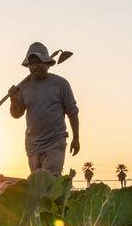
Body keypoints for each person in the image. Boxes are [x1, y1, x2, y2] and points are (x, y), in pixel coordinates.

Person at [7, 42, 80, 176]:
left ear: (47, 63)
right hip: (32, 144)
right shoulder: (23, 87)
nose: (34, 67)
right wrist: (13, 98)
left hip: (55, 141)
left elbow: (73, 112)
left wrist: (76, 138)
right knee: (37, 184)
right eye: (31, 64)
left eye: (38, 62)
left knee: (50, 180)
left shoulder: (60, 84)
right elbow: (16, 114)